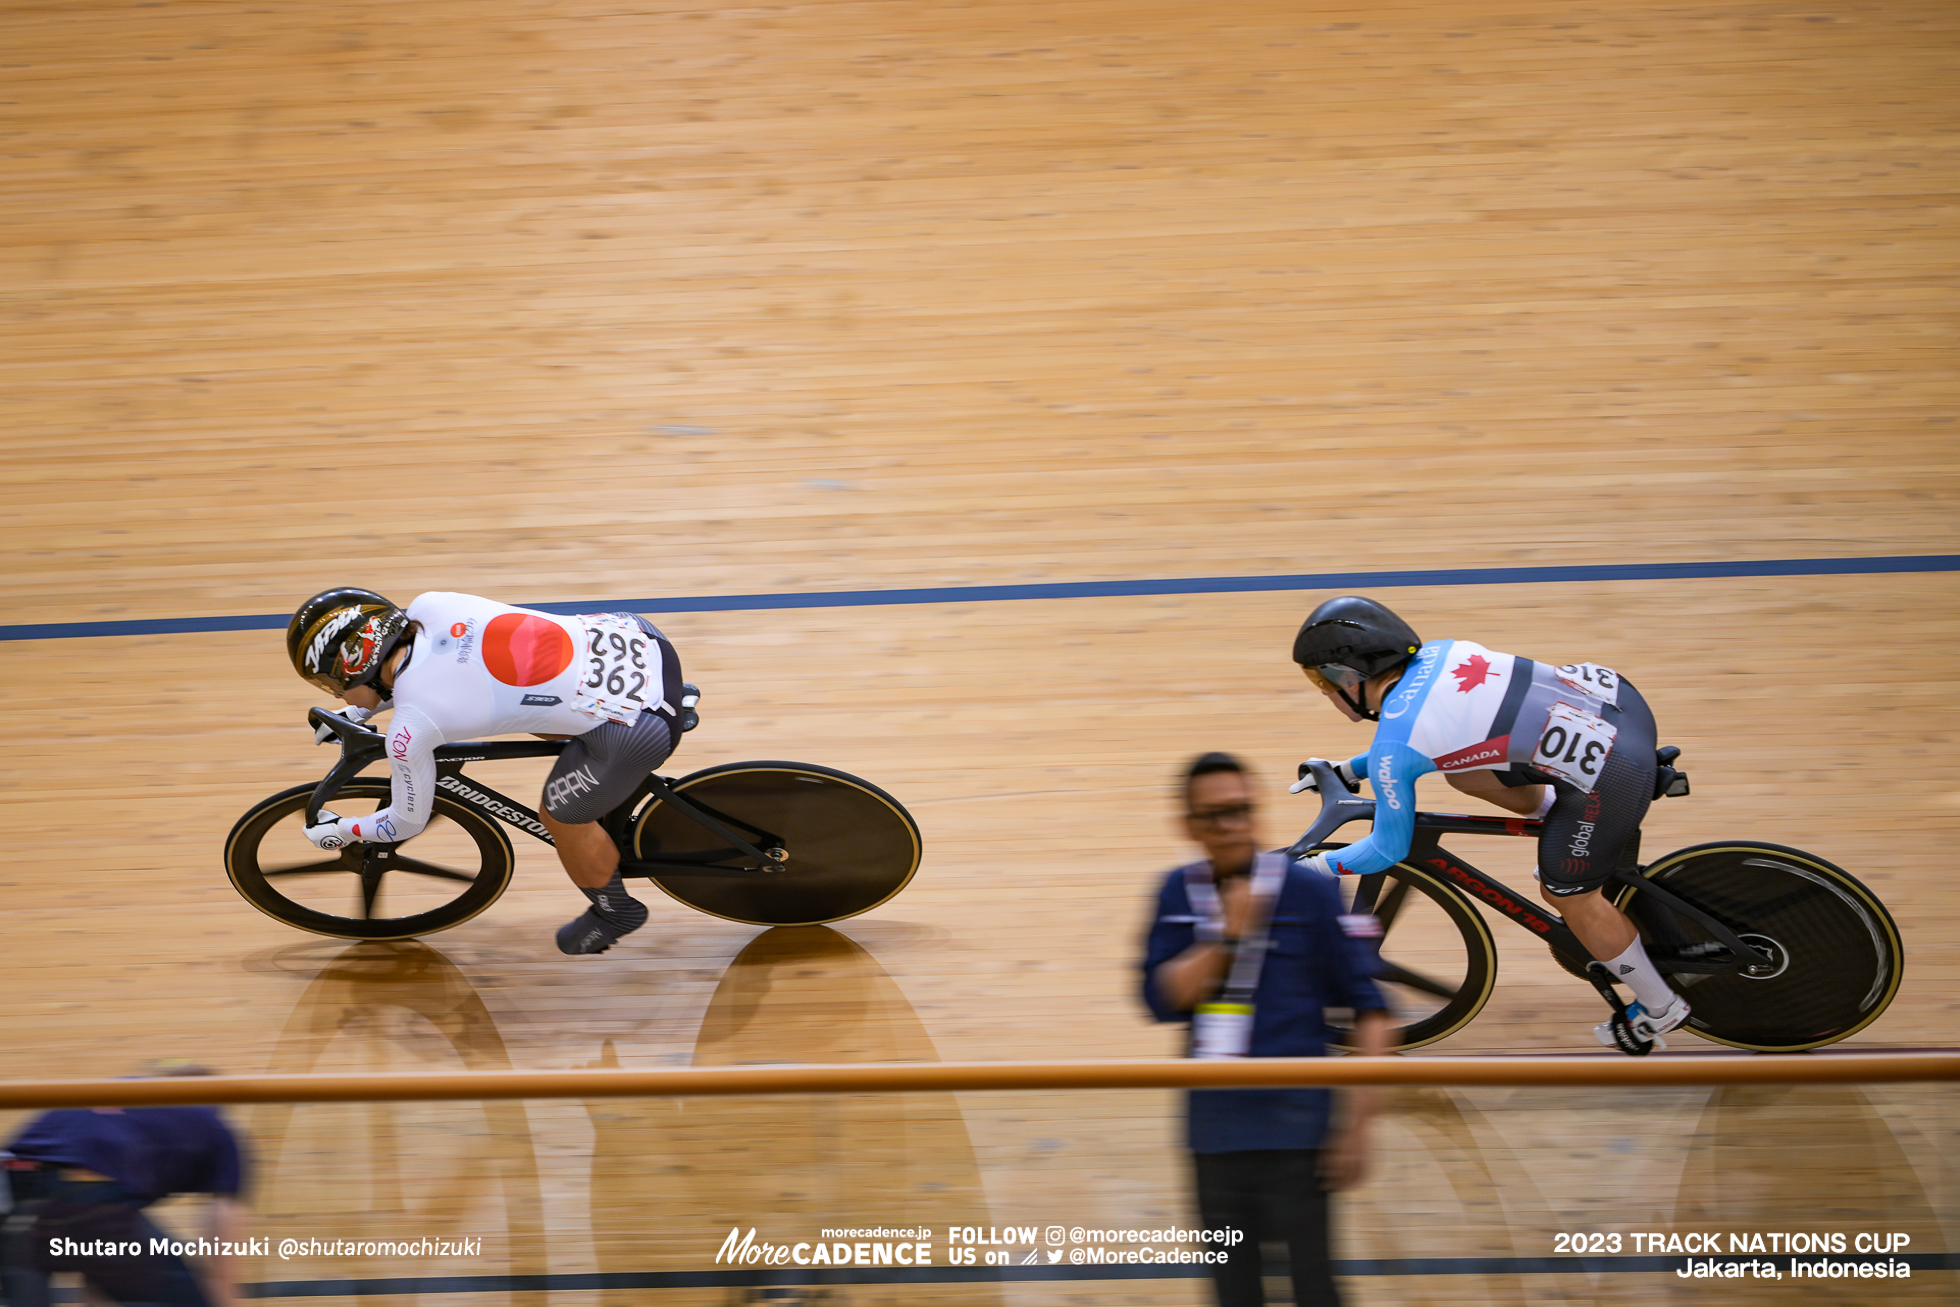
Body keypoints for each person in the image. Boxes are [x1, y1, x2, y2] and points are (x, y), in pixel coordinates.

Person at [1287, 594, 1689, 1052]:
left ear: (1349, 677)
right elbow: (1432, 738)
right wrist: (1349, 770)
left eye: (1322, 680)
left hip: (1614, 772)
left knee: (1567, 893)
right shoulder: (1440, 653)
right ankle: (1564, 823)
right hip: (1620, 704)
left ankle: (1661, 1007)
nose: (1324, 691)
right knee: (1464, 770)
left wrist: (1314, 870)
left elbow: (1388, 849)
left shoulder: (1395, 744)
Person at [286, 588, 686, 954]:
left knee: (560, 818)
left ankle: (617, 912)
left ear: (356, 662)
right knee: (518, 699)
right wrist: (358, 709)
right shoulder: (432, 606)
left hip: (637, 731)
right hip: (641, 637)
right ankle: (660, 711)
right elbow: (444, 671)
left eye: (331, 682)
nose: (336, 693)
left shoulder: (414, 727)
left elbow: (405, 823)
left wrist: (342, 830)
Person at [1142, 752, 1392, 1307]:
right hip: (1213, 1140)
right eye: (1214, 815)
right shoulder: (1175, 893)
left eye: (1241, 811)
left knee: (1314, 1289)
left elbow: (1373, 1012)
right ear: (1189, 826)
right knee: (1234, 1293)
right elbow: (1162, 998)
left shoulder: (1308, 893)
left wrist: (1356, 1126)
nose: (1231, 826)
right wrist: (1227, 938)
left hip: (1301, 1138)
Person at [0, 1068, 247, 1307]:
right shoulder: (217, 1127)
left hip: (10, 1185)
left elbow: (98, 1261)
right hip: (85, 1189)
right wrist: (223, 1298)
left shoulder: (117, 1094)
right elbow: (224, 1221)